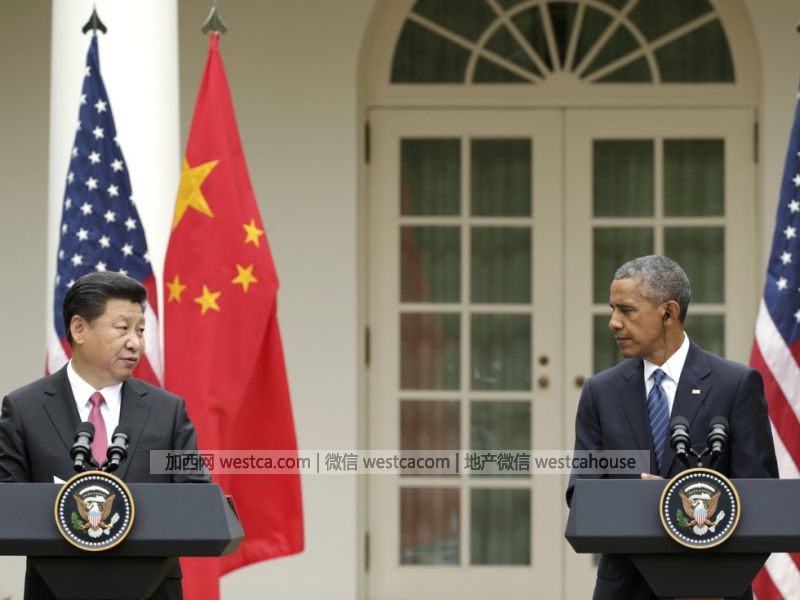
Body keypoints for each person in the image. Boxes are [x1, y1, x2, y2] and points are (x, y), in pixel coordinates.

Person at [567, 255, 778, 600]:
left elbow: (762, 499)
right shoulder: (600, 392)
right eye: (613, 309)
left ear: (668, 312)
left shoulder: (735, 385)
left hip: (714, 585)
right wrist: (644, 500)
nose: (614, 323)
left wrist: (678, 500)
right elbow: (582, 494)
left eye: (626, 310)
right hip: (625, 589)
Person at [0, 272, 209, 600]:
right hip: (55, 589)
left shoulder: (167, 411)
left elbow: (196, 497)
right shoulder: (24, 408)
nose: (135, 342)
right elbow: (7, 505)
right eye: (122, 328)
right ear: (79, 328)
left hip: (153, 590)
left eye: (141, 330)